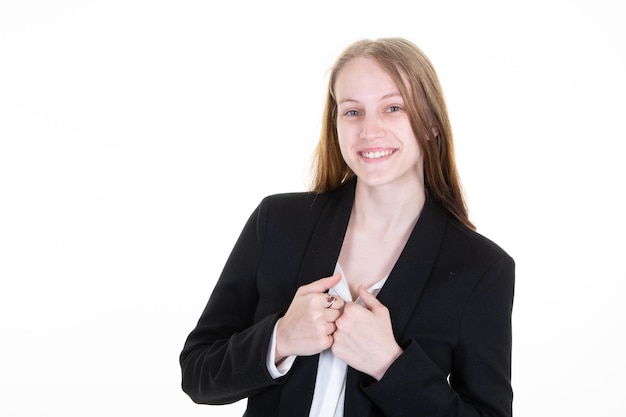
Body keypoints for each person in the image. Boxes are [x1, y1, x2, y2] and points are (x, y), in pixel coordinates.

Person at [180, 37, 515, 417]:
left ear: (432, 123)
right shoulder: (277, 222)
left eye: (393, 108)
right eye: (353, 112)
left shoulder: (481, 268)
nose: (370, 131)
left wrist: (390, 365)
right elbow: (197, 372)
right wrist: (280, 339)